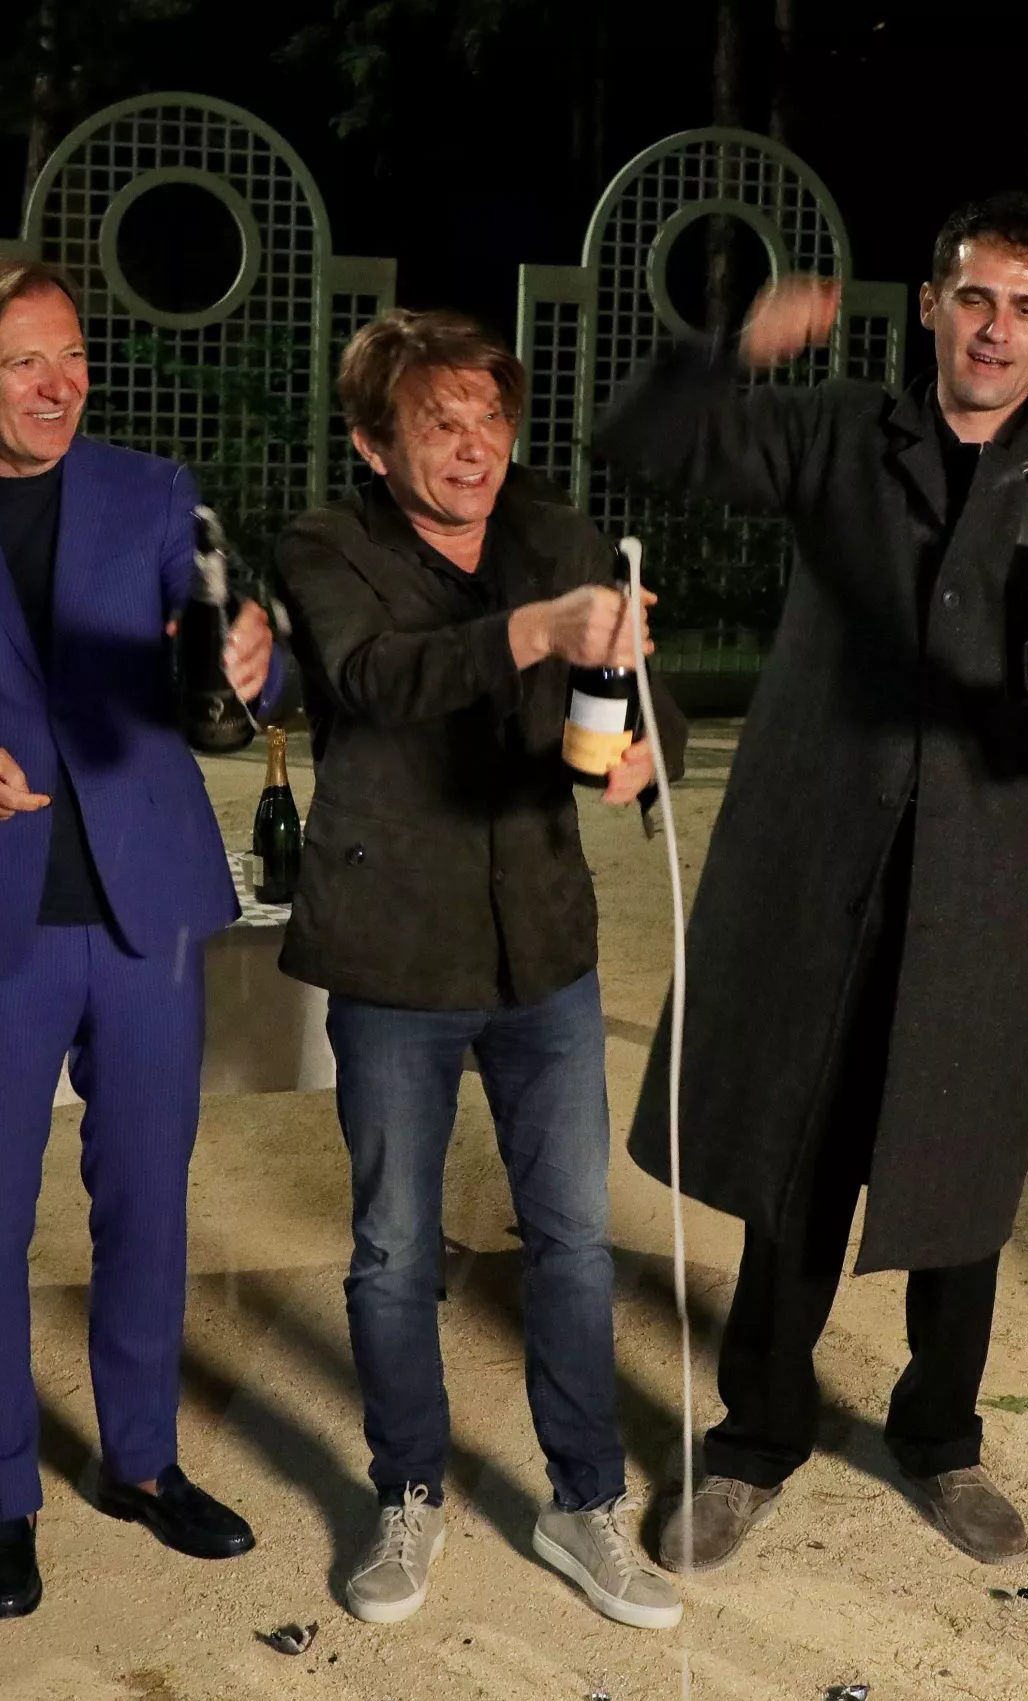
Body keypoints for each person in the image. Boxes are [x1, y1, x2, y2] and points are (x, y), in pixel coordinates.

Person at [597, 194, 1028, 1573]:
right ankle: (756, 1435)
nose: (995, 329)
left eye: (1024, 309)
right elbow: (647, 443)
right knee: (800, 1153)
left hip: (986, 880)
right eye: (974, 299)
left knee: (960, 1167)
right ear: (930, 307)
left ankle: (941, 1436)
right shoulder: (842, 435)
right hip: (824, 865)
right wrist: (732, 350)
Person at [0, 258, 281, 1619]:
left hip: (146, 908)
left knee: (148, 1200)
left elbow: (236, 671)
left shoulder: (154, 494)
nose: (60, 382)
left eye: (72, 354)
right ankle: (0, 1497)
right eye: (25, 360)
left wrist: (257, 665)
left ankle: (141, 1462)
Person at [274, 308, 687, 1629]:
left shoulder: (557, 537)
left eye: (490, 421)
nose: (473, 448)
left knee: (572, 1240)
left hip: (542, 947)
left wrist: (648, 746)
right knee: (395, 1250)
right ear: (372, 444)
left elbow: (643, 690)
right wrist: (536, 630)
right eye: (439, 424)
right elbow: (372, 678)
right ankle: (408, 1494)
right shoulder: (325, 548)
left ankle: (584, 1503)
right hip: (393, 948)